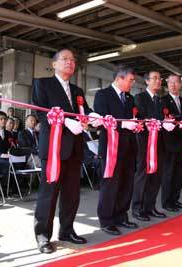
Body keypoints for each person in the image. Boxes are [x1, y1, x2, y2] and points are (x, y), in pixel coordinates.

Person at [32, 48, 94, 254]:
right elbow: (41, 113)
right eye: (65, 59)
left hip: (74, 149)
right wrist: (66, 121)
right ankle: (42, 236)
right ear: (54, 63)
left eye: (73, 60)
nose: (70, 62)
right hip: (53, 149)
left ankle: (67, 231)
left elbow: (85, 111)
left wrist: (96, 117)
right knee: (48, 195)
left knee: (71, 194)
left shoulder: (77, 90)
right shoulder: (42, 84)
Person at [94, 65, 138, 236]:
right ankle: (106, 220)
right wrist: (122, 124)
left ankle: (121, 216)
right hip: (111, 147)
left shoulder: (129, 98)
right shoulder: (103, 95)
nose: (132, 84)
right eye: (130, 80)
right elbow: (101, 119)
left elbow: (134, 116)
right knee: (110, 184)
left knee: (126, 183)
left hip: (129, 146)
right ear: (119, 78)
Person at [132, 70, 167, 222]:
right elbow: (141, 118)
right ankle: (137, 208)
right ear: (146, 81)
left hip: (159, 142)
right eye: (154, 78)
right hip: (144, 143)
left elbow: (163, 118)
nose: (158, 81)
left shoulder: (160, 100)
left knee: (156, 175)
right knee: (142, 175)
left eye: (160, 79)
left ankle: (150, 207)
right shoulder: (139, 98)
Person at [160, 74, 182, 212]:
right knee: (168, 174)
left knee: (178, 174)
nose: (173, 85)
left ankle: (175, 200)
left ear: (180, 84)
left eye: (176, 82)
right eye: (170, 82)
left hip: (181, 142)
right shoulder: (162, 100)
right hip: (168, 143)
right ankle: (167, 202)